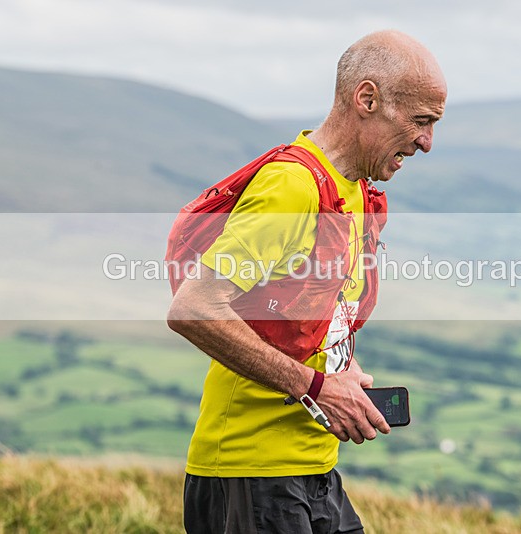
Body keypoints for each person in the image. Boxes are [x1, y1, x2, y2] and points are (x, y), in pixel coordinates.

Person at [167, 29, 447, 534]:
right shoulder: (292, 187)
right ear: (367, 99)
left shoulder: (355, 191)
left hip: (313, 467)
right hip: (249, 471)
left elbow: (315, 315)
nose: (427, 142)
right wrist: (318, 388)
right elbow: (195, 308)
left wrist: (344, 371)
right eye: (421, 121)